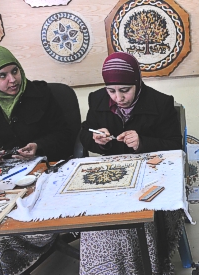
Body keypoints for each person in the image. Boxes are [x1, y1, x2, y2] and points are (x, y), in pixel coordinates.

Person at [0, 45, 74, 275]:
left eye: (14, 71)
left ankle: (42, 244)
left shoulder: (41, 93)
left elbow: (65, 136)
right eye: (2, 76)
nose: (12, 80)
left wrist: (39, 146)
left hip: (45, 169)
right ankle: (13, 266)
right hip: (9, 174)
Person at [79, 52, 183, 274]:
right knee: (103, 218)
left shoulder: (161, 103)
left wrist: (142, 143)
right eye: (111, 91)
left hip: (150, 172)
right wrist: (98, 141)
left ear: (137, 82)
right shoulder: (96, 99)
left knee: (140, 217)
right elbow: (85, 133)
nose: (118, 98)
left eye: (125, 90)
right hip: (115, 172)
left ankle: (146, 261)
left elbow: (175, 146)